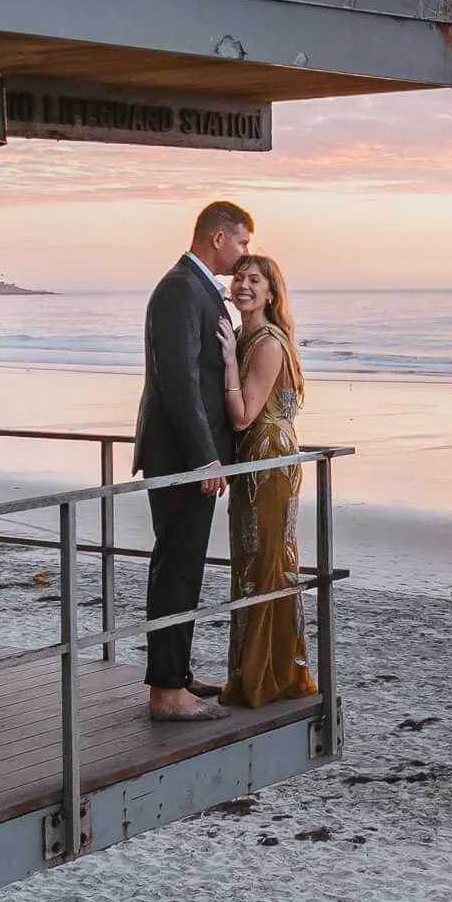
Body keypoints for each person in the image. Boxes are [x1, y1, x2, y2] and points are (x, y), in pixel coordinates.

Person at [133, 200, 251, 723]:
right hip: (182, 458)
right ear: (219, 237)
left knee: (181, 566)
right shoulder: (182, 288)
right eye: (243, 241)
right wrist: (205, 459)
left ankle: (176, 675)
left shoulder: (197, 288)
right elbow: (179, 381)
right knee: (178, 569)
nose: (246, 252)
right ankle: (164, 692)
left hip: (186, 456)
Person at [216, 254, 317, 708]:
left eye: (255, 280)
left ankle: (269, 678)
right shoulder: (243, 335)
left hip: (270, 469)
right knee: (251, 566)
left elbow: (241, 417)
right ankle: (255, 674)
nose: (243, 285)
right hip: (252, 468)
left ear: (271, 292)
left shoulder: (267, 343)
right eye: (239, 277)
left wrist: (225, 361)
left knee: (268, 566)